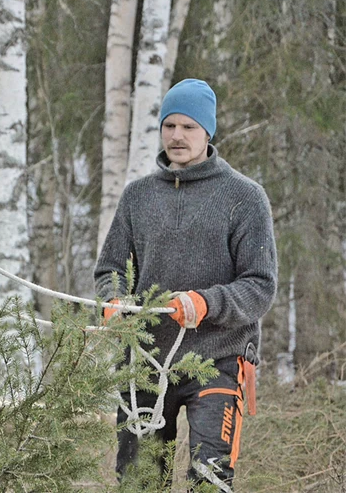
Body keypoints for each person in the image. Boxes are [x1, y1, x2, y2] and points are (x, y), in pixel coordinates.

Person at [95, 79, 278, 491]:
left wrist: (207, 303)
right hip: (144, 363)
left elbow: (260, 285)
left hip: (219, 359)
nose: (177, 135)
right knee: (138, 482)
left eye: (189, 127)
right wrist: (112, 298)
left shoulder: (245, 197)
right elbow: (110, 269)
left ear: (208, 132)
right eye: (169, 125)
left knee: (209, 482)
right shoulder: (137, 197)